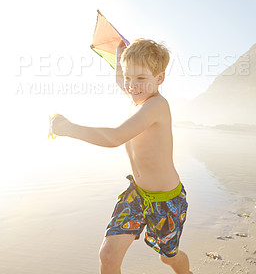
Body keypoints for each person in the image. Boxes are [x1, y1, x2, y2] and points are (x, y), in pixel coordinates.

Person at [50, 38, 192, 274]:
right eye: (128, 77)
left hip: (166, 202)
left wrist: (69, 129)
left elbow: (115, 137)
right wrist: (119, 55)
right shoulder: (136, 97)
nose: (131, 85)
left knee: (168, 258)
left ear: (160, 79)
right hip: (136, 193)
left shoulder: (156, 105)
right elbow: (123, 79)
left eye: (140, 79)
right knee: (108, 256)